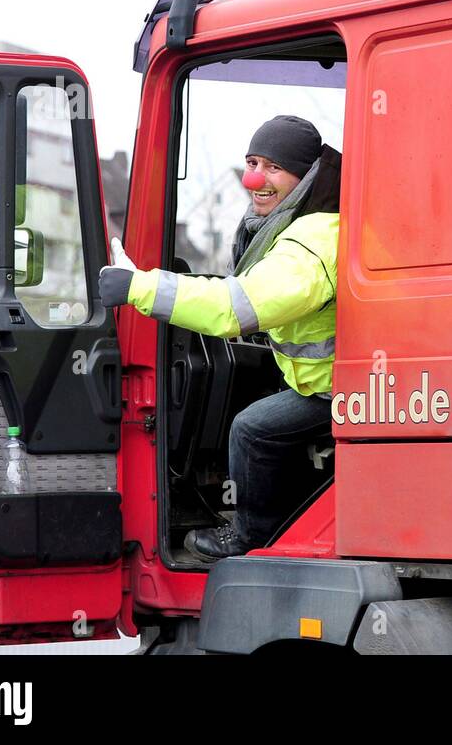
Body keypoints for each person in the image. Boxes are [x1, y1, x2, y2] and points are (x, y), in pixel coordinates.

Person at [99, 114, 341, 561]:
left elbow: (235, 306)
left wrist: (139, 287)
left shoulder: (312, 242)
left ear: (305, 174)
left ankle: (252, 538)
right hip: (316, 379)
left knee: (250, 430)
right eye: (252, 163)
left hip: (335, 390)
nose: (255, 179)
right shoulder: (290, 226)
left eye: (273, 167)